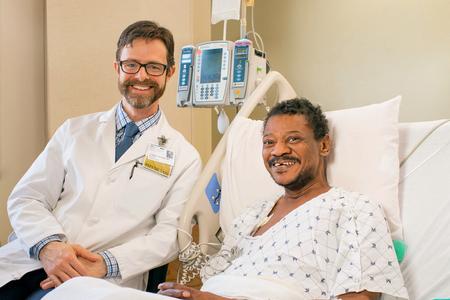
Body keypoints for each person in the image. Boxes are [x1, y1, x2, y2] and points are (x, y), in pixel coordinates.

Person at [42, 98, 408, 300]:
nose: (278, 151)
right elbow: (211, 287)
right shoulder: (251, 216)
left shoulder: (355, 209)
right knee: (76, 291)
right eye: (268, 142)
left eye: (293, 139)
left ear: (324, 144)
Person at [0, 20, 201, 299]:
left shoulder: (185, 156)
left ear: (170, 72)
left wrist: (103, 265)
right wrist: (50, 246)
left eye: (154, 67)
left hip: (102, 280)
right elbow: (27, 198)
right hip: (32, 259)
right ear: (117, 67)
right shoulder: (74, 131)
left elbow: (170, 236)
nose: (141, 76)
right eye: (131, 64)